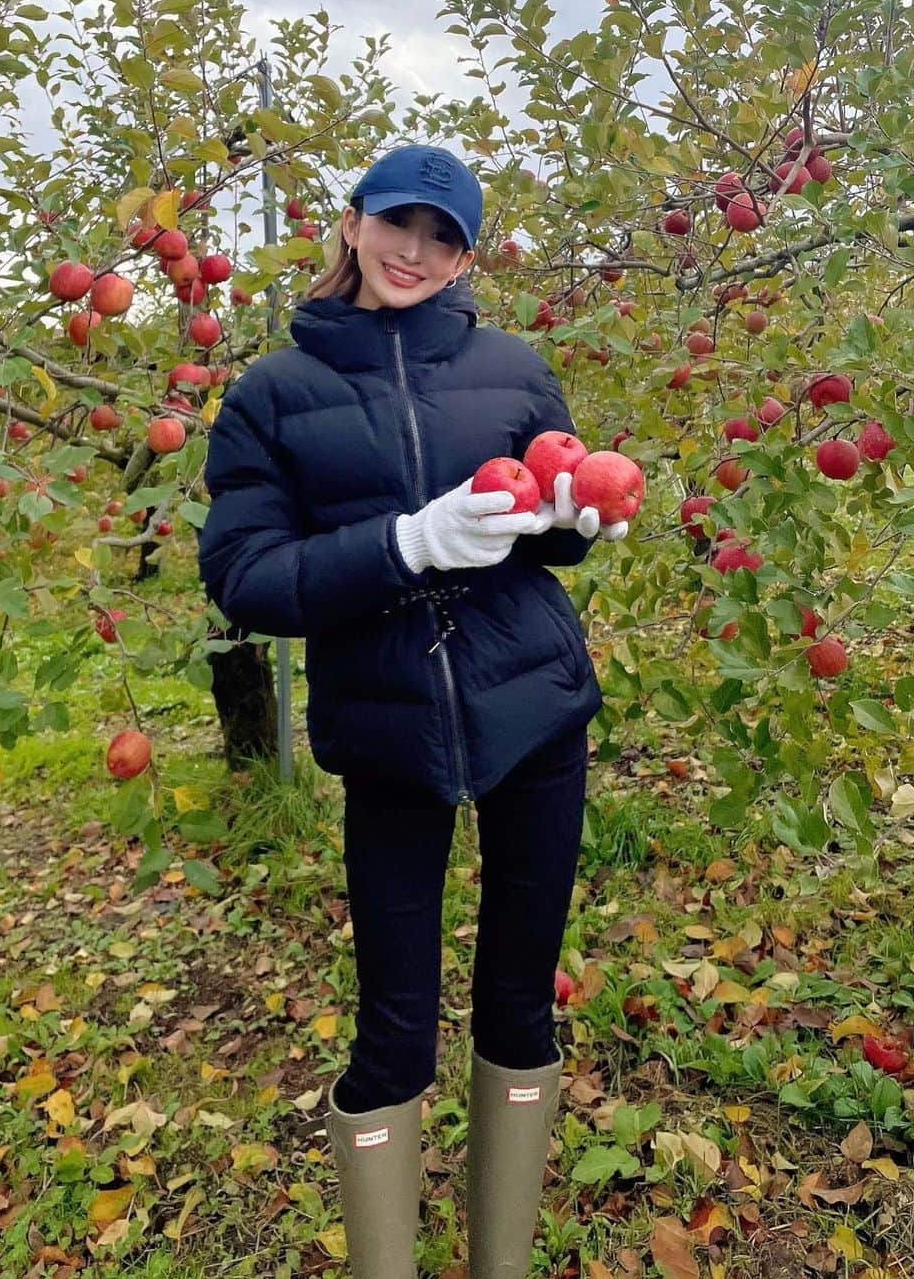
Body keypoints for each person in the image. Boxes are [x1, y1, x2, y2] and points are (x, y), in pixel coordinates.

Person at [197, 144, 629, 1278]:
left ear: (467, 255)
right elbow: (244, 575)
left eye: (443, 238)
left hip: (535, 712)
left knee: (520, 1004)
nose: (415, 253)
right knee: (394, 1024)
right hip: (387, 730)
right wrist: (402, 545)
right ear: (349, 222)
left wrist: (574, 523)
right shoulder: (270, 395)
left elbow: (544, 521)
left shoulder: (515, 366)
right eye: (398, 224)